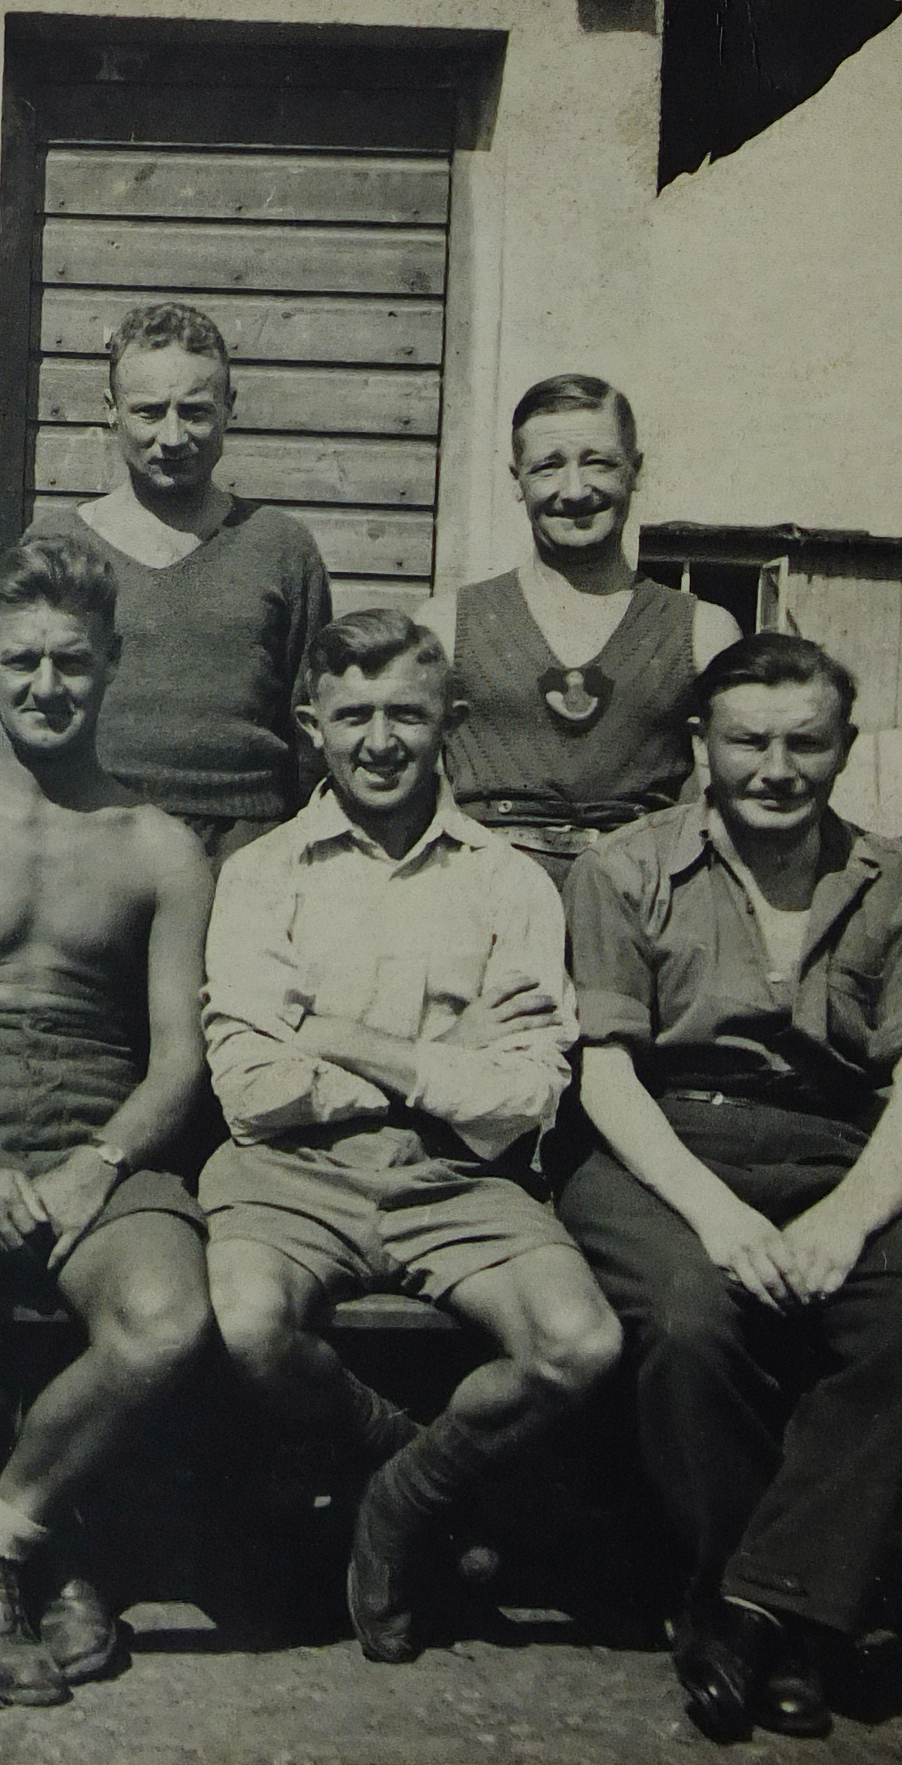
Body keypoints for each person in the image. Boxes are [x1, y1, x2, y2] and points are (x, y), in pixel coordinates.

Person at [555, 633, 902, 1743]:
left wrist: (847, 1219)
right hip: (664, 1143)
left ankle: (752, 1612)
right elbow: (604, 1071)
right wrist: (715, 1213)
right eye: (747, 741)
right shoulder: (623, 869)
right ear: (701, 743)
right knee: (694, 1317)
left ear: (844, 748)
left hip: (838, 1144)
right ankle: (775, 1611)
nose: (776, 769)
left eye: (807, 742)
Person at [200, 608, 622, 1664]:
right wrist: (443, 1062)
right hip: (289, 1172)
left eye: (406, 714)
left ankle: (397, 1500)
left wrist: (346, 1040)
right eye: (352, 716)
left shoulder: (506, 881)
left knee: (580, 1343)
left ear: (452, 723)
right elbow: (251, 1088)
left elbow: (525, 1093)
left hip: (459, 1177)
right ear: (311, 724)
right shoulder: (263, 874)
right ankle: (404, 1457)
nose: (378, 741)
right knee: (249, 1324)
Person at [0, 535, 216, 1705]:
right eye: (20, 662)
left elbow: (179, 1062)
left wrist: (96, 1164)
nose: (46, 687)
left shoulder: (160, 845)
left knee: (165, 1322)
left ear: (111, 662)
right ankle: (44, 1540)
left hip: (99, 1146)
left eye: (71, 661)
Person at [22, 300, 333, 865]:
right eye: (148, 411)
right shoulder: (56, 545)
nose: (172, 436)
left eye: (195, 411)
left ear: (229, 410)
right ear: (110, 411)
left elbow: (314, 720)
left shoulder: (281, 546)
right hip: (93, 832)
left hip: (247, 845)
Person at [415, 374, 741, 886]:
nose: (575, 490)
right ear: (517, 480)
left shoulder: (703, 631)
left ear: (636, 470)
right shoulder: (444, 623)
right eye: (548, 466)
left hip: (643, 899)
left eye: (599, 462)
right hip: (480, 895)